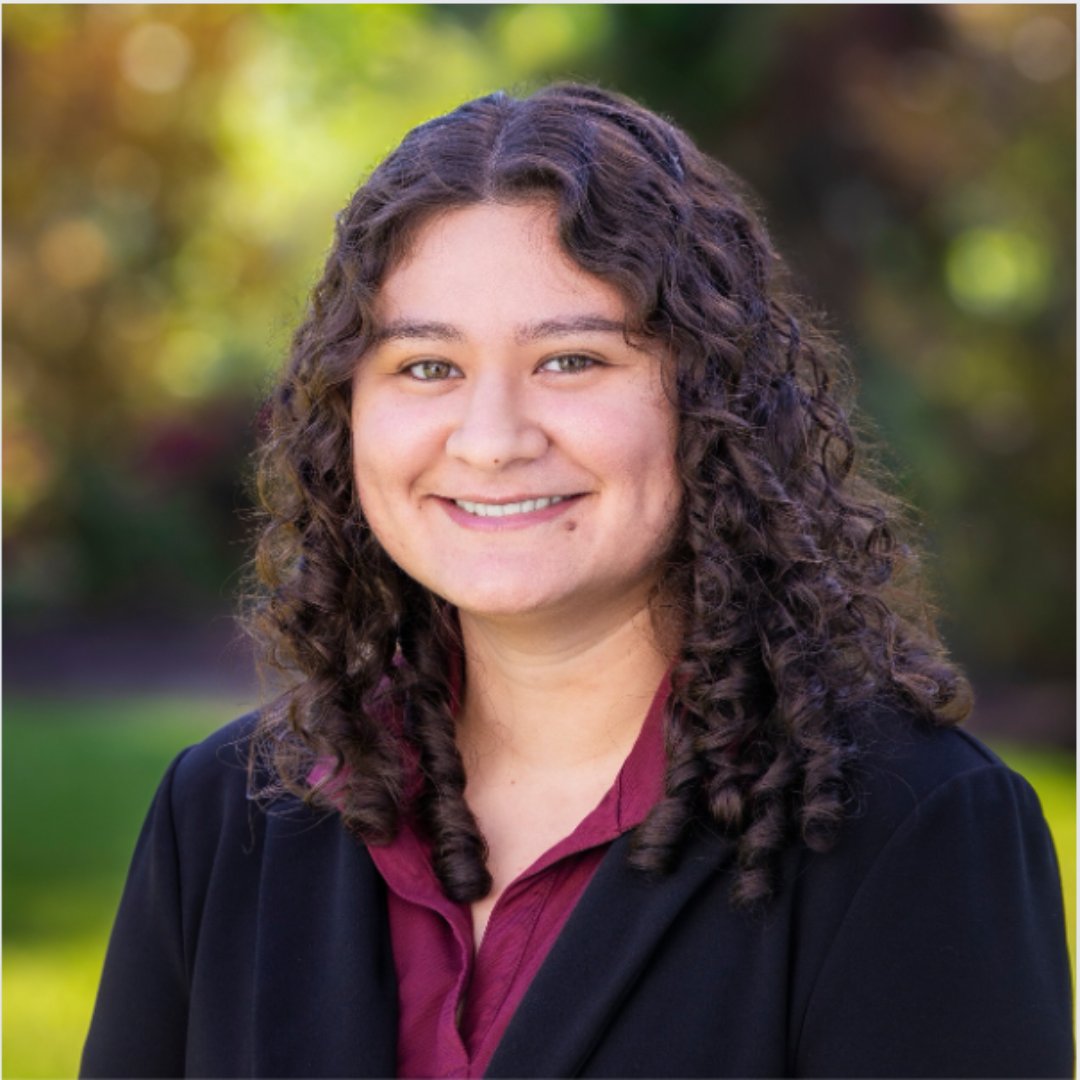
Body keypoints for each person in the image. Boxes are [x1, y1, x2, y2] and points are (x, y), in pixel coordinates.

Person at [81, 83, 1072, 1079]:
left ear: (710, 399)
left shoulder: (916, 832)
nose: (493, 440)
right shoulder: (228, 818)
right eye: (427, 367)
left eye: (569, 359)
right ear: (347, 413)